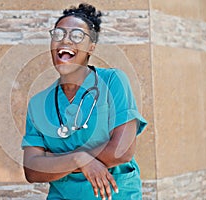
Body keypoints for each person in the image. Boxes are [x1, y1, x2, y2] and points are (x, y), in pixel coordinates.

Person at [21, 3, 147, 200]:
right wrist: (79, 159)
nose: (66, 41)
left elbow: (121, 151)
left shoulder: (113, 81)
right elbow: (32, 170)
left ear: (91, 47)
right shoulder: (39, 104)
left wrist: (55, 162)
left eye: (77, 36)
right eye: (58, 34)